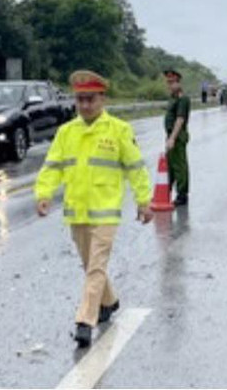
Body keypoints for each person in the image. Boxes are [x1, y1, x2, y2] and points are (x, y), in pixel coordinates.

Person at [35, 70, 152, 348]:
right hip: (77, 212)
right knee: (91, 266)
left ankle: (85, 320)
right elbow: (52, 166)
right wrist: (44, 194)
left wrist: (143, 201)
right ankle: (109, 301)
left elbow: (136, 168)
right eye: (80, 100)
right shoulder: (66, 133)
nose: (85, 105)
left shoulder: (119, 130)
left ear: (103, 99)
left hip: (106, 213)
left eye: (91, 99)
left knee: (96, 265)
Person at [162, 68, 191, 206]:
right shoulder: (172, 98)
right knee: (170, 165)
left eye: (172, 82)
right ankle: (165, 192)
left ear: (178, 83)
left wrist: (172, 138)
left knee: (179, 166)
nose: (170, 85)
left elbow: (180, 119)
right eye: (168, 82)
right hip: (170, 135)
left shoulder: (182, 99)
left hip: (178, 135)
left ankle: (182, 195)